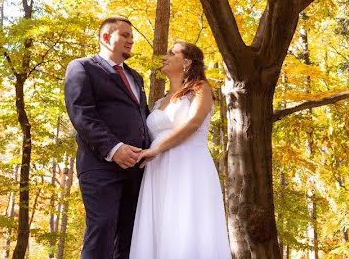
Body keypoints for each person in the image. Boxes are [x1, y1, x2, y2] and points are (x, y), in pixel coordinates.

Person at [129, 41, 232, 259]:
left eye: (171, 53)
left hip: (189, 166)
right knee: (159, 226)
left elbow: (193, 123)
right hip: (158, 170)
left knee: (185, 223)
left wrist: (156, 150)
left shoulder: (200, 89)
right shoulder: (158, 102)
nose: (164, 57)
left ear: (186, 62)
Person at [64, 17, 150, 259]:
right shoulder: (82, 67)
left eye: (131, 36)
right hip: (100, 166)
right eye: (124, 35)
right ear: (105, 38)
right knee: (102, 228)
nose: (131, 40)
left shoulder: (136, 77)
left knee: (129, 236)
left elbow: (144, 117)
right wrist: (114, 148)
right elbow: (81, 113)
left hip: (137, 168)